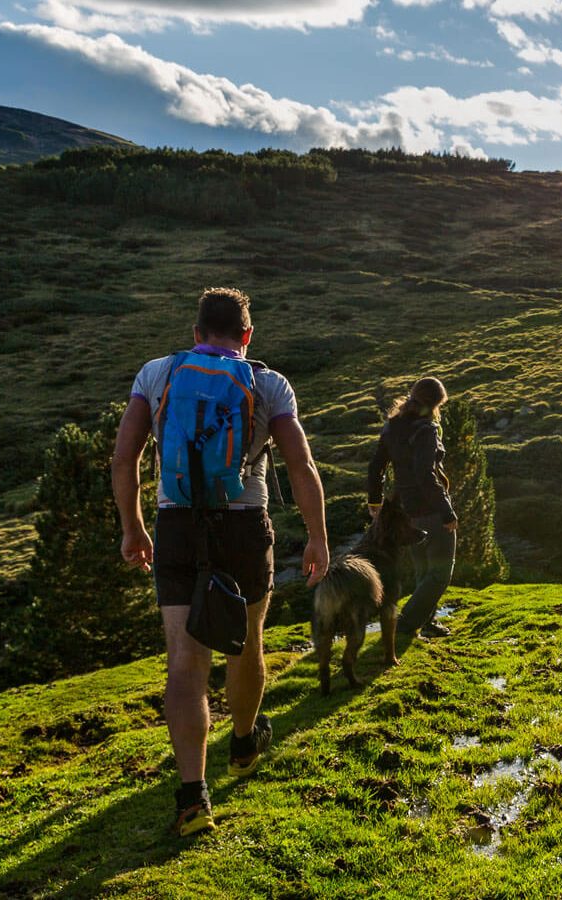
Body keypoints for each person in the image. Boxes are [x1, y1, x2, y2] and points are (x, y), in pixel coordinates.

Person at [112, 286, 331, 838]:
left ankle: (192, 797)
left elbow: (125, 458)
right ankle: (242, 743)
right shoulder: (268, 383)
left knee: (185, 663)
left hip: (178, 524)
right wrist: (317, 537)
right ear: (247, 336)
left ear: (196, 333)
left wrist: (133, 528)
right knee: (246, 641)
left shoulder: (157, 375)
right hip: (242, 526)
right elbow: (300, 465)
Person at [367, 376, 458, 641]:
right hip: (429, 509)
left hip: (406, 512)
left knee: (422, 570)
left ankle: (427, 623)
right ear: (437, 403)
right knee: (440, 573)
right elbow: (425, 475)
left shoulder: (393, 426)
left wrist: (375, 501)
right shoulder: (427, 429)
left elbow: (376, 467)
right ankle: (405, 625)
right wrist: (446, 511)